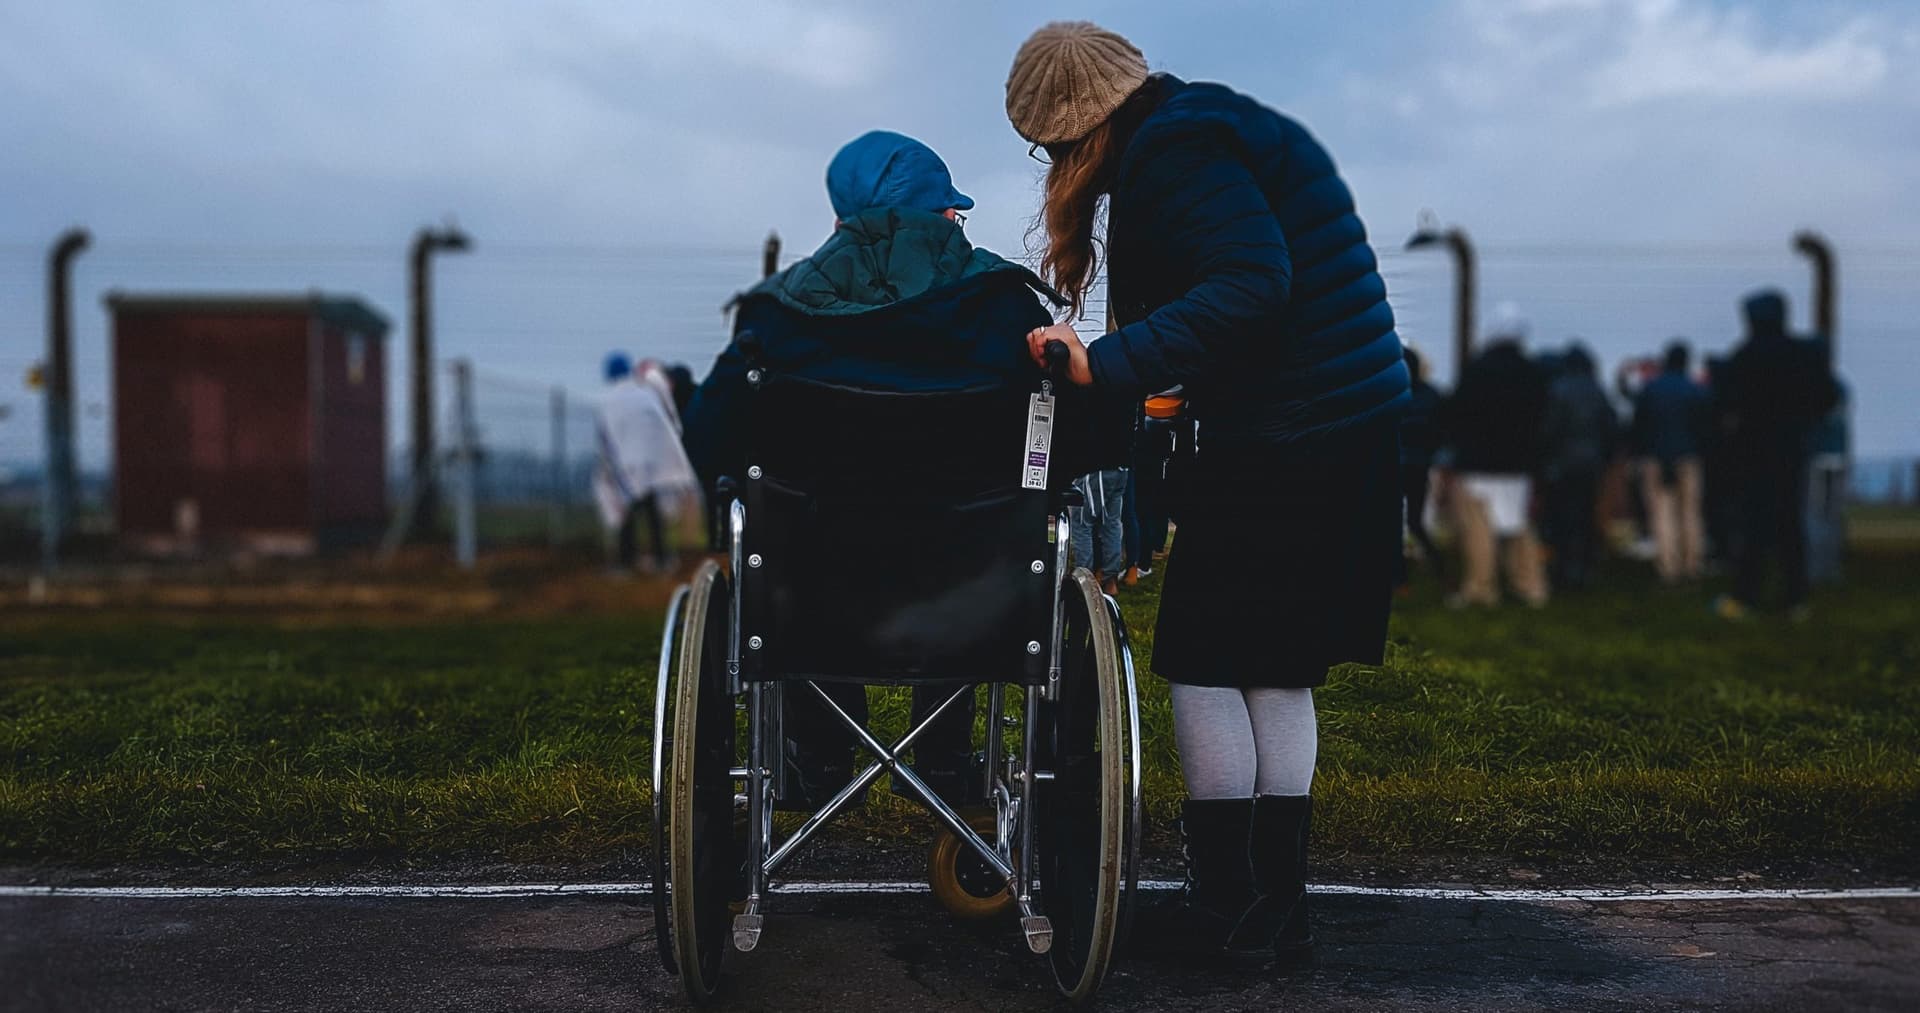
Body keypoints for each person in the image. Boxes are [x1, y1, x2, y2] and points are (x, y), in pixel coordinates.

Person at [1007, 21, 1409, 966]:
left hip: (1292, 431)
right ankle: (1276, 909)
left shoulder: (1175, 152)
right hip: (1339, 422)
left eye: (1053, 148)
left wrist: (1105, 362)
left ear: (1080, 130)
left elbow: (1251, 281)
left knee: (1202, 656)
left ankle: (1226, 902)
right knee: (1272, 663)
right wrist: (1182, 380)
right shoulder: (1210, 124)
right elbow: (1265, 287)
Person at [682, 130, 1118, 809]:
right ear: (945, 217)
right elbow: (1083, 443)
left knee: (797, 551)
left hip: (809, 602)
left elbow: (709, 441)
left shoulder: (776, 316)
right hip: (974, 601)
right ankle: (943, 761)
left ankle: (819, 758)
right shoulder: (1007, 310)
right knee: (970, 544)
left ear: (839, 221)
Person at [1713, 290, 1839, 620]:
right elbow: (1828, 397)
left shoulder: (1744, 356)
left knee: (1752, 525)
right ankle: (1796, 598)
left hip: (1752, 451)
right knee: (1790, 524)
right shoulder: (1803, 355)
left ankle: (1746, 596)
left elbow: (1723, 403)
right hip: (1792, 448)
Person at [1439, 305, 1551, 607]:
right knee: (1519, 526)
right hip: (1518, 464)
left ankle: (1481, 588)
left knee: (1479, 529)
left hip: (1478, 464)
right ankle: (1530, 586)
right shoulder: (1533, 373)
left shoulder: (1477, 370)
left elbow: (1457, 414)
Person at [594, 353, 700, 573]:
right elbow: (665, 423)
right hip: (652, 463)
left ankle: (625, 562)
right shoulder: (644, 394)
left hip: (626, 465)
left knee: (628, 514)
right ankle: (662, 560)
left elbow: (606, 437)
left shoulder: (608, 401)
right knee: (652, 512)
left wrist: (611, 468)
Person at [1539, 344, 1618, 591]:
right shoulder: (1598, 391)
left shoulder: (1558, 390)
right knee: (1586, 516)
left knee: (1563, 518)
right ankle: (1585, 567)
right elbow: (1611, 428)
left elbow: (1549, 429)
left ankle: (1564, 568)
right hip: (1592, 464)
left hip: (1562, 464)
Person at [1632, 341, 1709, 583]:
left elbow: (1639, 424)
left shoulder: (1651, 389)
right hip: (1689, 457)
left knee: (1662, 514)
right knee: (1691, 513)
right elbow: (1704, 426)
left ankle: (1668, 567)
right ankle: (1693, 564)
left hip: (1655, 458)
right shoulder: (1695, 389)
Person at [1397, 346, 1446, 588]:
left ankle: (1400, 578)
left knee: (1391, 524)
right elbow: (1442, 430)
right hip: (1420, 466)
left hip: (1394, 467)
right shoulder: (1431, 395)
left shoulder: (1390, 394)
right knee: (1416, 523)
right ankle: (1441, 571)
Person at [1071, 466, 1128, 595]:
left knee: (1082, 525)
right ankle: (1110, 579)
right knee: (1111, 525)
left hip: (1095, 469)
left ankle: (1084, 580)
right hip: (1121, 468)